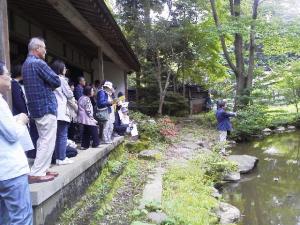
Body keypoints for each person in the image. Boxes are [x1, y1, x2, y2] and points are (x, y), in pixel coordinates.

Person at [22, 37, 61, 183]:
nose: (45, 50)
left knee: (42, 140)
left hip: (36, 108)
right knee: (47, 140)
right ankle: (37, 172)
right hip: (46, 107)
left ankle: (42, 168)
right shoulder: (38, 63)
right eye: (44, 48)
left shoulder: (26, 64)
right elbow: (56, 81)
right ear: (38, 48)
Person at [0, 61, 33, 225]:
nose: (10, 78)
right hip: (10, 171)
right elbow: (12, 135)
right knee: (22, 218)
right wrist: (20, 120)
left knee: (4, 218)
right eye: (7, 74)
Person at [11, 64, 38, 158]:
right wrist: (25, 113)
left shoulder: (15, 84)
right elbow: (18, 101)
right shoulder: (14, 84)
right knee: (22, 138)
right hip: (19, 115)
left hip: (19, 114)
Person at [51, 59, 74, 165]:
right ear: (60, 68)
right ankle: (61, 158)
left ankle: (57, 157)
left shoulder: (51, 78)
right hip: (61, 111)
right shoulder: (62, 79)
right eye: (64, 67)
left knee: (56, 136)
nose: (66, 69)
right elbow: (69, 94)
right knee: (62, 135)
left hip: (53, 111)